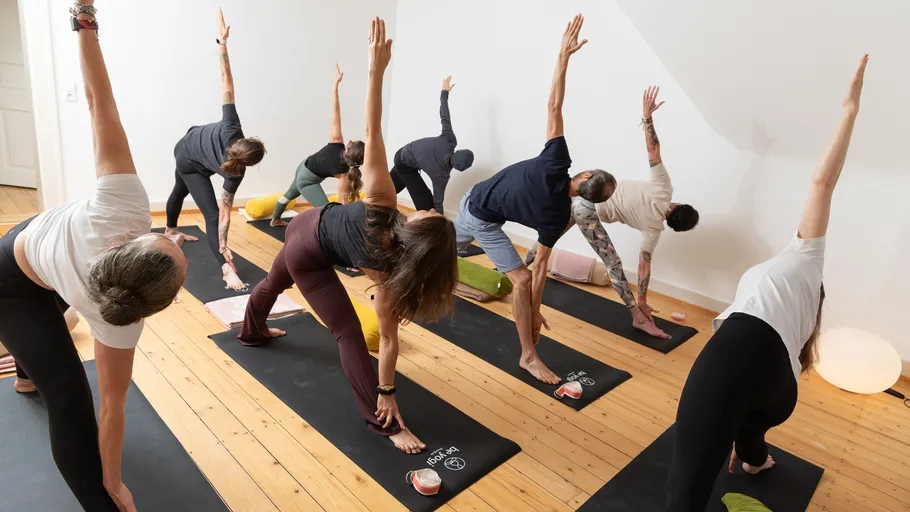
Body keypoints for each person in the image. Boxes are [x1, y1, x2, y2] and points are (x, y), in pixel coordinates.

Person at [238, 17, 458, 455]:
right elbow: (390, 340)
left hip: (308, 225)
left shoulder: (382, 200)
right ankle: (383, 427)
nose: (429, 209)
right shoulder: (389, 272)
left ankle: (251, 333)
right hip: (308, 246)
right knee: (348, 333)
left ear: (418, 227)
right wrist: (387, 392)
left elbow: (372, 130)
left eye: (430, 215)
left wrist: (376, 70)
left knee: (272, 282)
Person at [0, 2, 188, 509]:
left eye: (169, 242)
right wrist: (110, 484)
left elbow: (98, 102)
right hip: (8, 278)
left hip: (45, 261)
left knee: (53, 350)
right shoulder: (116, 320)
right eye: (173, 240)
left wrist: (85, 25)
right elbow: (109, 406)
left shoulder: (120, 207)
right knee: (69, 400)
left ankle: (24, 366)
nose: (174, 237)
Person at [664, 55, 868, 512]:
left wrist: (849, 111)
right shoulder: (799, 310)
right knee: (747, 425)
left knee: (685, 491)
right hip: (779, 390)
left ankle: (748, 447)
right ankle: (754, 458)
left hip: (742, 353)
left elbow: (821, 182)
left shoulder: (807, 256)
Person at [453, 14, 614, 384]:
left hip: (475, 202)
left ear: (585, 176)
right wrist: (534, 307)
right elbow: (540, 269)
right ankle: (528, 353)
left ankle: (528, 356)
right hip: (479, 213)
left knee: (458, 255)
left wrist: (563, 56)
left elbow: (553, 105)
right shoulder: (558, 216)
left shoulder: (556, 161)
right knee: (520, 280)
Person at [526, 86, 699, 338]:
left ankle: (517, 268)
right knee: (613, 264)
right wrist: (642, 299)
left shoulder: (664, 188)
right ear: (674, 224)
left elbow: (653, 151)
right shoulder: (653, 230)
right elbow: (643, 268)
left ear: (678, 205)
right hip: (586, 209)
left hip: (580, 197)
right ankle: (638, 317)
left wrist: (647, 117)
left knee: (548, 237)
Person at [164, 8, 266, 290]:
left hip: (187, 143)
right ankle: (225, 270)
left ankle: (171, 228)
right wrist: (223, 246)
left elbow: (227, 82)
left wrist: (222, 44)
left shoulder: (231, 126)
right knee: (206, 211)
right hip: (187, 158)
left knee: (179, 191)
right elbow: (222, 213)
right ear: (249, 162)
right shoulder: (236, 176)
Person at [270, 64, 365, 227]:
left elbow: (335, 114)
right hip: (307, 180)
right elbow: (342, 200)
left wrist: (335, 85)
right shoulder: (343, 173)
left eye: (350, 143)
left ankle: (275, 219)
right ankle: (318, 233)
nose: (348, 142)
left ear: (348, 149)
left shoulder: (337, 142)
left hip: (303, 165)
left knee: (288, 195)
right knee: (326, 210)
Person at [390, 76, 474, 215]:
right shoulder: (442, 175)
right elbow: (438, 202)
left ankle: (372, 204)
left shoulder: (449, 140)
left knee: (389, 188)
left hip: (402, 153)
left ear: (458, 150)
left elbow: (445, 116)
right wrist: (439, 219)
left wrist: (444, 93)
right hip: (405, 163)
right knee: (428, 206)